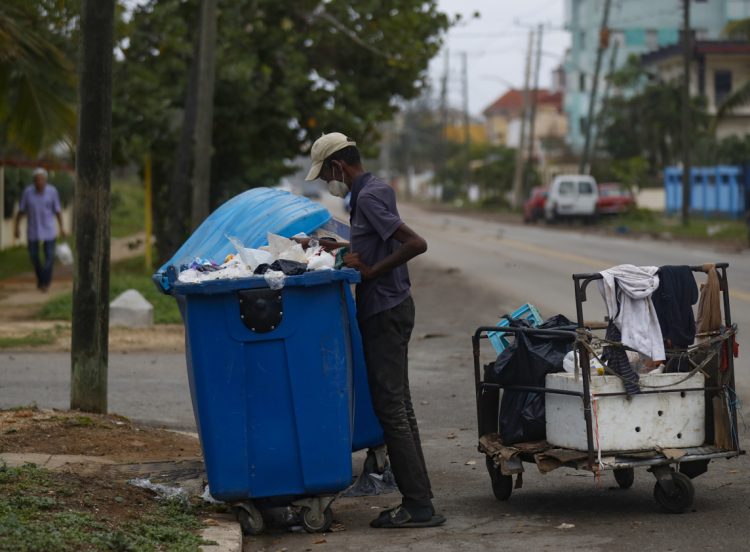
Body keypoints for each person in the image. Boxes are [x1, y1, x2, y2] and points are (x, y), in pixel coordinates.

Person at [305, 132, 445, 529]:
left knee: (392, 410)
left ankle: (418, 505)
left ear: (338, 165)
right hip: (389, 307)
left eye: (326, 174)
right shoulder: (371, 191)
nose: (326, 182)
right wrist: (341, 252)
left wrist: (369, 271)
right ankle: (421, 499)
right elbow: (374, 243)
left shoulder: (367, 195)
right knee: (400, 407)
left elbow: (415, 243)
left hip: (385, 310)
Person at [14, 168, 66, 292]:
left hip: (49, 230)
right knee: (33, 256)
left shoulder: (52, 192)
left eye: (42, 179)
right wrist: (16, 227)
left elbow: (58, 211)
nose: (39, 182)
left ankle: (44, 282)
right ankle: (42, 279)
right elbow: (21, 211)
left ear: (45, 180)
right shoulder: (28, 192)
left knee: (49, 257)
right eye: (37, 180)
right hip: (33, 230)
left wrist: (62, 227)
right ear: (33, 181)